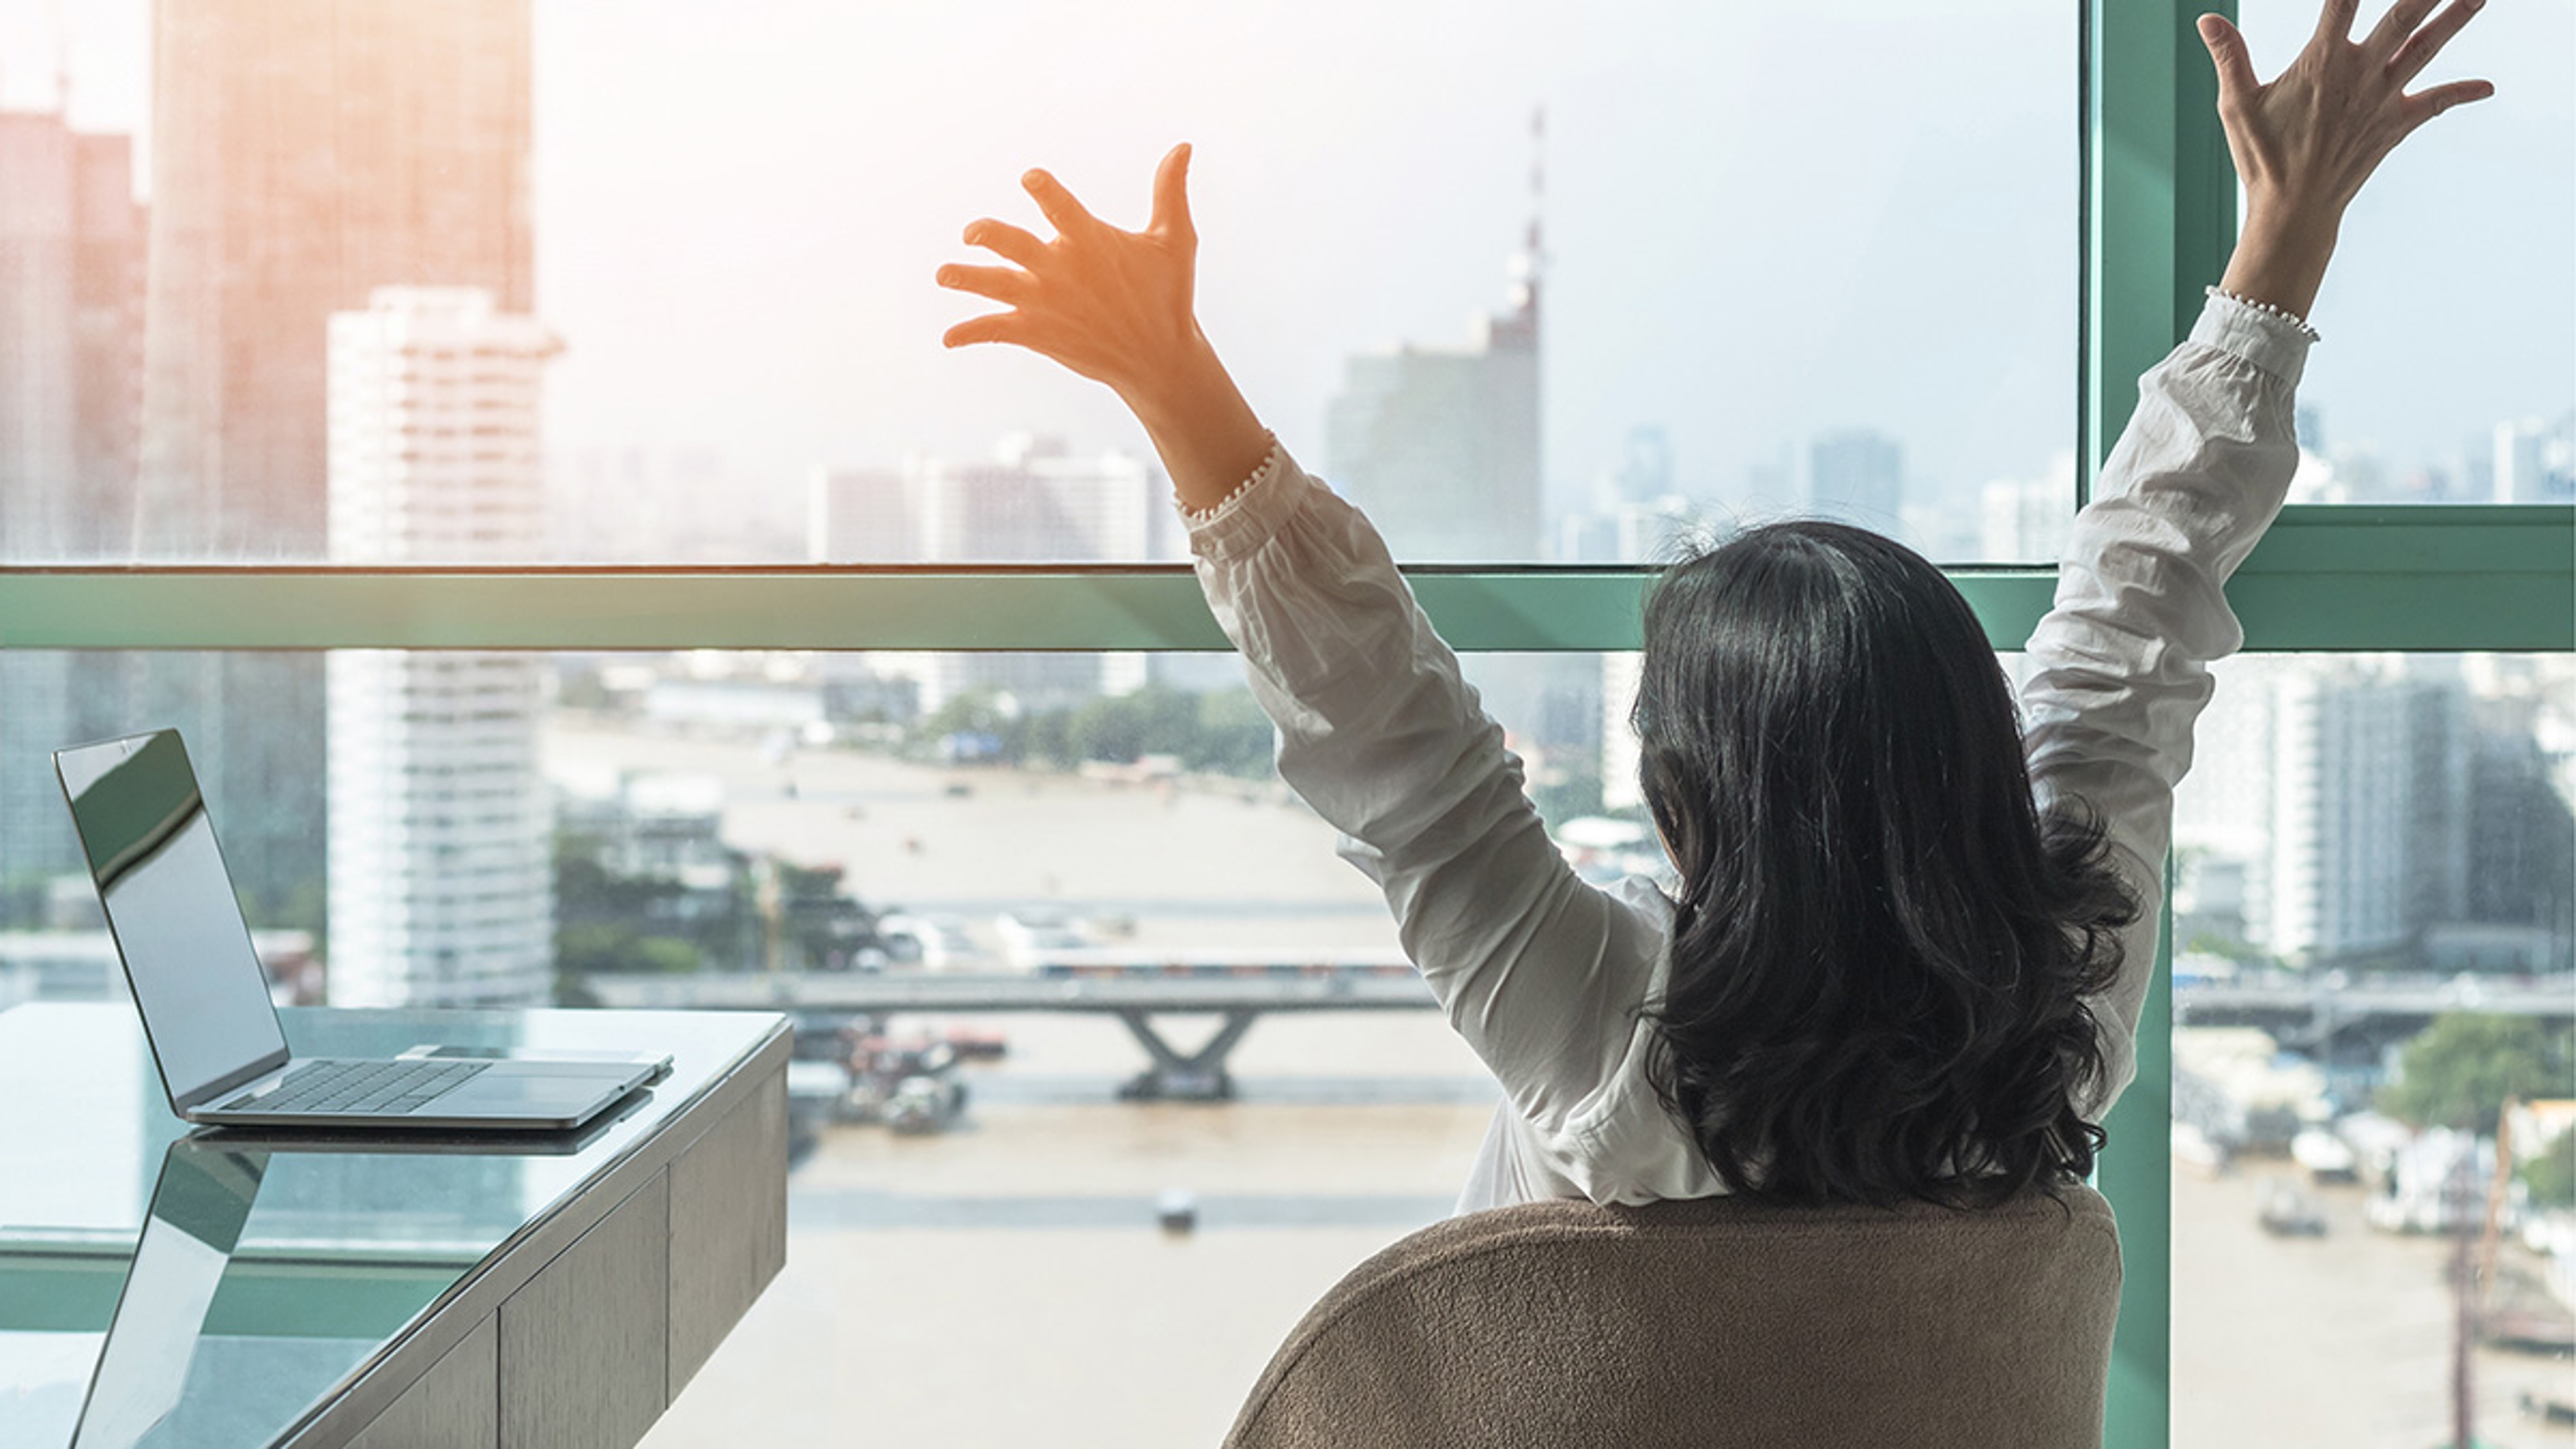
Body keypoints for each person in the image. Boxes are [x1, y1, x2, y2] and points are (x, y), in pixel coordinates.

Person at [934, 0, 2491, 1212]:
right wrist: (2281, 243)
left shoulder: (1603, 1039)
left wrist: (1169, 380)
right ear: (1965, 761)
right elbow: (2132, 630)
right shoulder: (2056, 1017)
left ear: (1687, 813)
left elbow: (1390, 739)